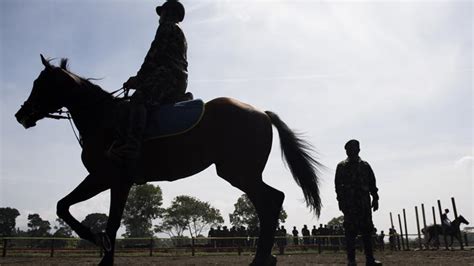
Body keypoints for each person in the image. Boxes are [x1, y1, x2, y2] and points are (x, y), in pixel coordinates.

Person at [108, 0, 189, 178]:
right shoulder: (178, 32)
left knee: (139, 99)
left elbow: (154, 56)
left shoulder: (166, 27)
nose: (160, 17)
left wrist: (138, 79)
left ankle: (132, 145)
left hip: (167, 76)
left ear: (169, 13)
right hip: (176, 78)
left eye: (162, 13)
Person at [335, 139, 382, 266]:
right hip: (350, 206)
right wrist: (341, 201)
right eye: (349, 149)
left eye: (354, 148)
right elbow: (338, 186)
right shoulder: (342, 167)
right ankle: (351, 260)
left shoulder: (365, 166)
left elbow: (372, 183)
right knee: (350, 234)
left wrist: (375, 198)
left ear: (358, 150)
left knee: (367, 232)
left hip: (364, 205)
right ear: (346, 151)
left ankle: (370, 259)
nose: (351, 151)